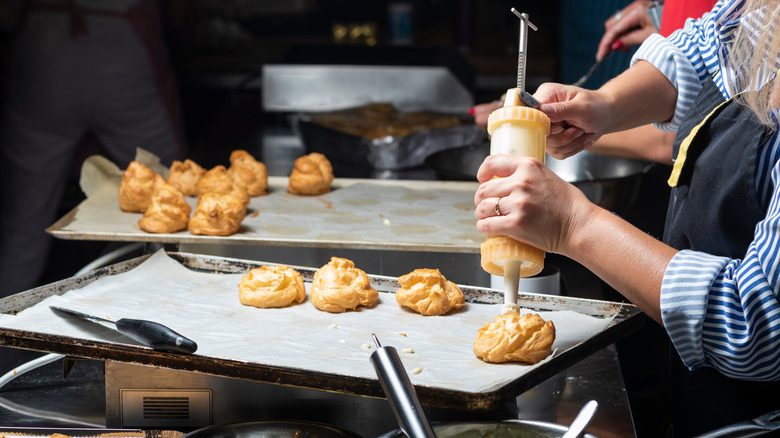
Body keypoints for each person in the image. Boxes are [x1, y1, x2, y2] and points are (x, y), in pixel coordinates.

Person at [474, 0, 780, 435]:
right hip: (705, 391)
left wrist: (574, 225)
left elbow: (757, 324)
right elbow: (710, 45)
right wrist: (605, 103)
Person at [0, 0, 186, 298]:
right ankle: (183, 308)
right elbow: (179, 16)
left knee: (22, 225)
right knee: (173, 198)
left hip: (45, 43)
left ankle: (5, 339)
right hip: (120, 43)